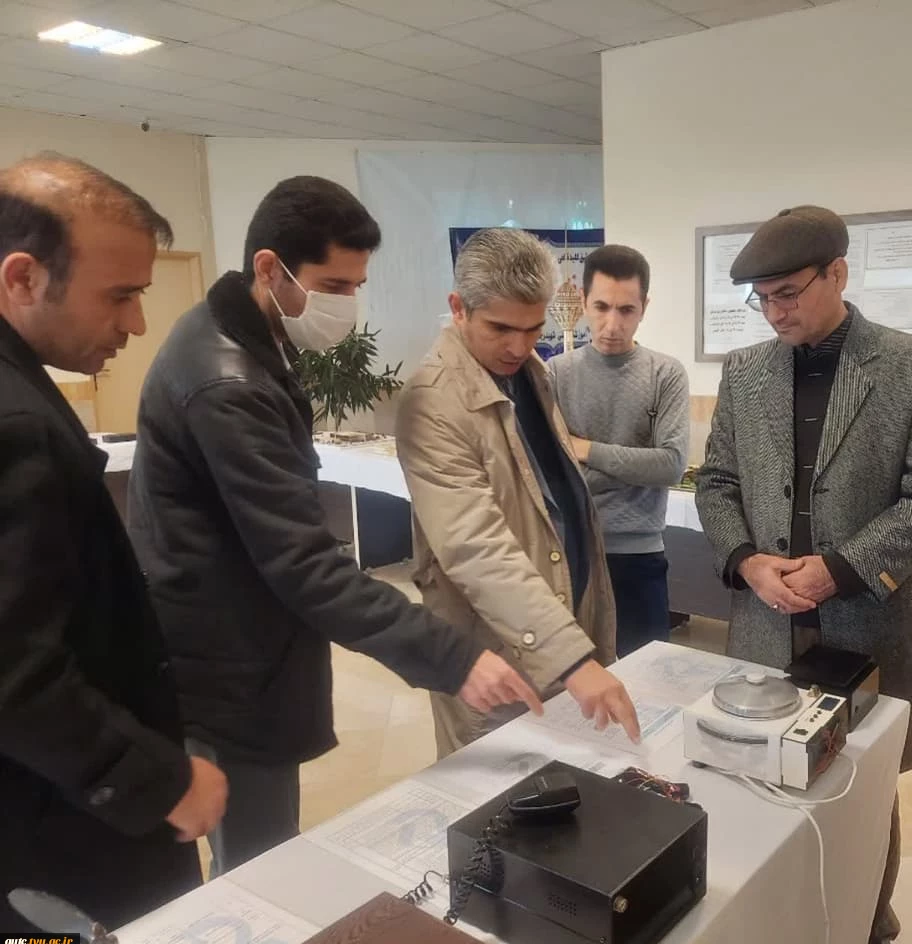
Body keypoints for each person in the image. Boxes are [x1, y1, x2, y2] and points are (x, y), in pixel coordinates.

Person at [126, 176, 541, 878]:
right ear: (269, 268)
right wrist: (453, 656)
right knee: (259, 864)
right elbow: (303, 562)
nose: (347, 304)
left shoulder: (243, 339)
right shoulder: (226, 380)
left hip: (244, 636)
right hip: (225, 658)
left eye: (356, 286)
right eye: (333, 285)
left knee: (258, 842)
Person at [695, 205, 912, 944]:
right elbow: (716, 482)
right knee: (761, 784)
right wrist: (747, 559)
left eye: (788, 293)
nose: (775, 312)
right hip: (764, 621)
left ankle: (871, 931)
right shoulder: (745, 372)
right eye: (763, 299)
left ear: (838, 273)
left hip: (862, 624)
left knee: (864, 793)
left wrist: (840, 569)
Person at [0, 153, 227, 931]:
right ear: (23, 278)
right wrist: (159, 780)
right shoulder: (15, 425)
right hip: (59, 841)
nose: (136, 323)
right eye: (120, 295)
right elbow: (14, 670)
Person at [395, 227, 641, 759]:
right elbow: (475, 546)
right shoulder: (434, 400)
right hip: (495, 649)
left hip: (557, 620)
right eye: (500, 328)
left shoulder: (532, 373)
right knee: (503, 791)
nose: (518, 345)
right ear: (458, 308)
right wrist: (570, 658)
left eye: (533, 328)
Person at [547, 244, 690, 658]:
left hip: (639, 556)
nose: (612, 324)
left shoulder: (665, 374)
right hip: (570, 554)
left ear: (644, 307)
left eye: (626, 310)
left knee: (647, 682)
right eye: (602, 307)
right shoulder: (555, 374)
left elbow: (670, 465)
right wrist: (633, 468)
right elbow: (548, 473)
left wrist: (584, 449)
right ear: (583, 302)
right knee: (571, 682)